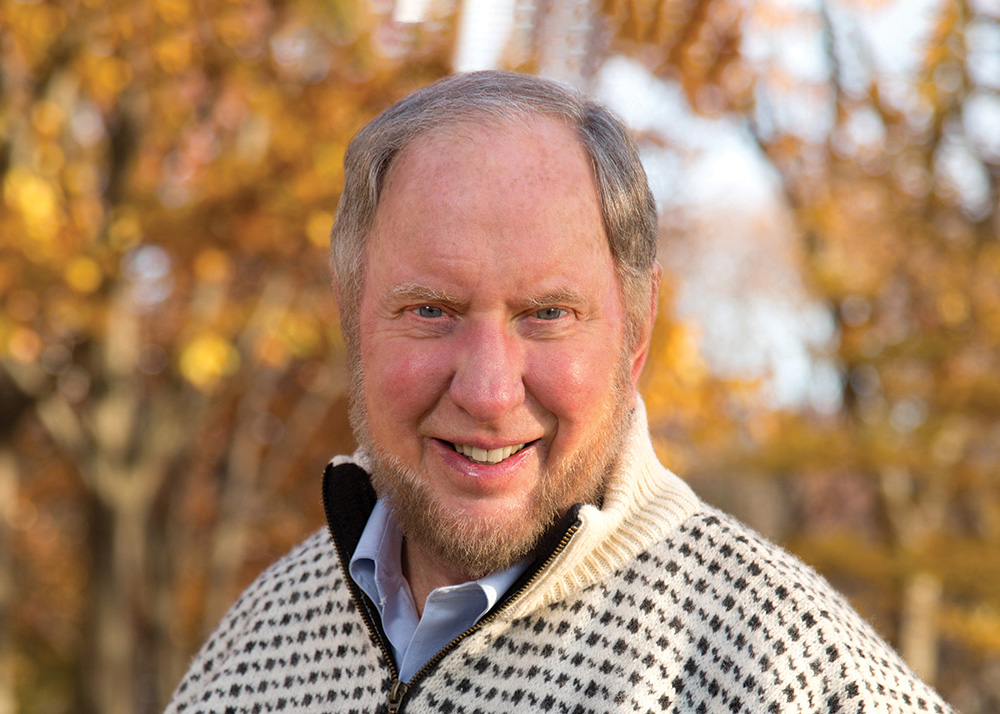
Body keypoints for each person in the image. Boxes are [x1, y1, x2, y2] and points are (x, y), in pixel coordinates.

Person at [165, 71, 952, 713]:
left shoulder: (782, 669)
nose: (486, 388)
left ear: (635, 337)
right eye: (430, 310)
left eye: (547, 314)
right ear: (353, 322)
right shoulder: (258, 645)